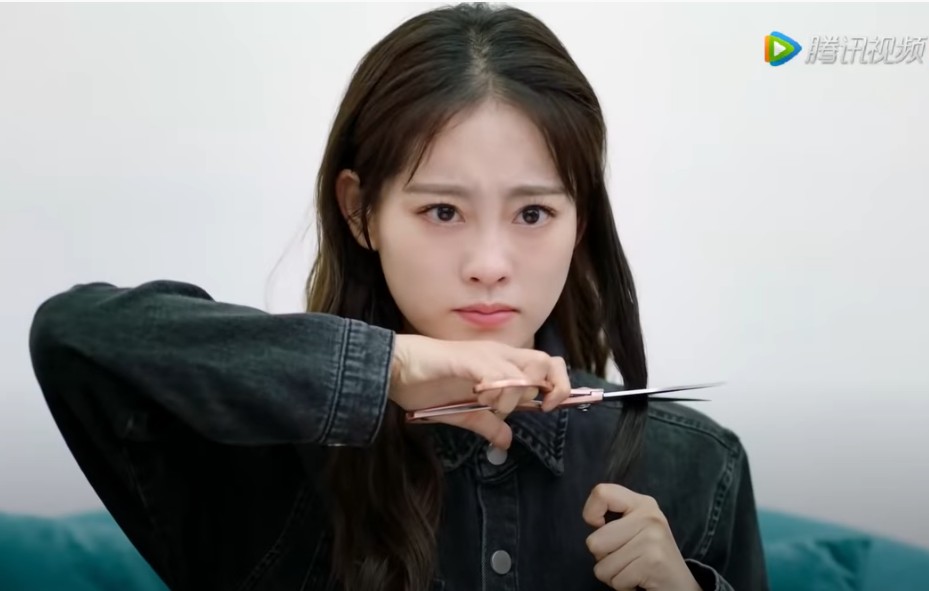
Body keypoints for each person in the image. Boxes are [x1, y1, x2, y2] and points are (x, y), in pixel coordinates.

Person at [28, 3, 768, 591]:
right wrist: (387, 366)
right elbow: (73, 336)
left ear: (580, 221)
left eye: (533, 213)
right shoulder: (263, 461)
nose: (488, 264)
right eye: (442, 211)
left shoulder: (696, 468)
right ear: (360, 212)